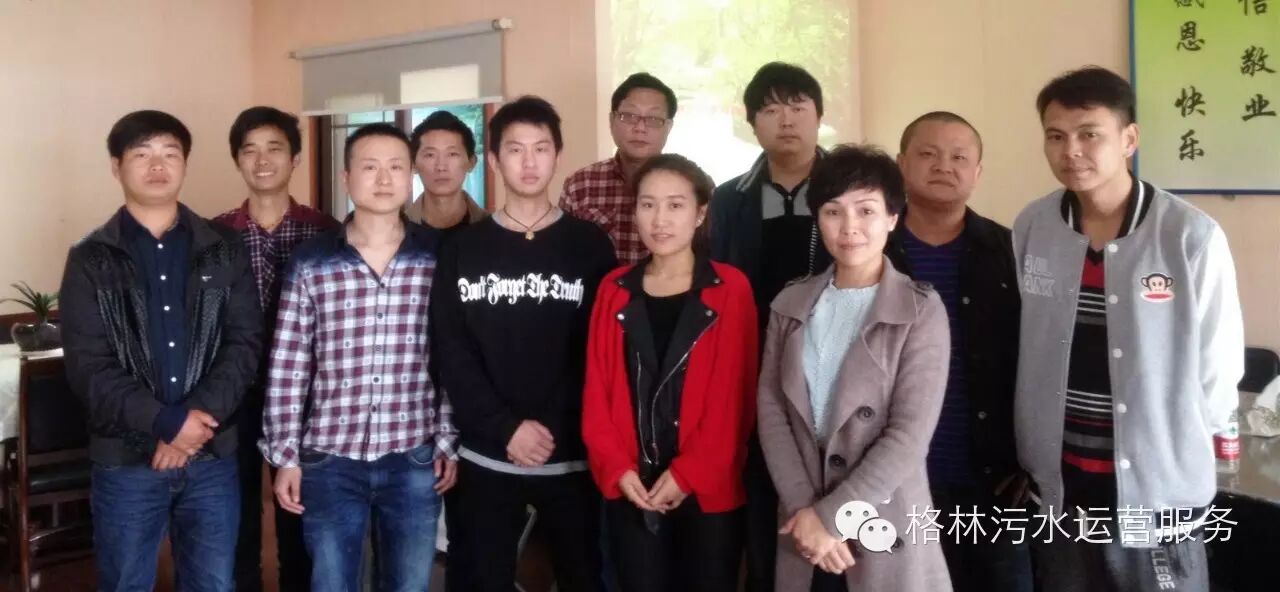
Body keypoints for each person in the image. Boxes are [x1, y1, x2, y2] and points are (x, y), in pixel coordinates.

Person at [1013, 66, 1244, 592]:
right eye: (1055, 136)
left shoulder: (1189, 236)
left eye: (1089, 134)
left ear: (1129, 139)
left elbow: (1220, 366)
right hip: (1062, 485)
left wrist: (1170, 444)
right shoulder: (1033, 226)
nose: (1071, 150)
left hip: (1156, 489)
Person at [61, 109, 263, 592]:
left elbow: (244, 343)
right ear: (117, 167)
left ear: (185, 164)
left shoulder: (224, 247)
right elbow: (89, 367)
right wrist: (167, 424)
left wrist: (194, 425)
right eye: (142, 154)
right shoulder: (90, 258)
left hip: (211, 457)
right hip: (126, 462)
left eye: (170, 154)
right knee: (125, 583)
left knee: (213, 583)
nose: (158, 165)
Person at [260, 123, 458, 591]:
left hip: (413, 455)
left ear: (411, 177)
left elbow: (454, 356)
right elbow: (289, 364)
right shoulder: (312, 260)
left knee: (409, 584)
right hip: (329, 458)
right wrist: (286, 456)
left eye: (396, 167)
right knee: (331, 583)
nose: (384, 179)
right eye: (370, 167)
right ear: (347, 178)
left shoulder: (438, 257)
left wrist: (448, 438)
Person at [432, 96, 618, 592]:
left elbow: (598, 352)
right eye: (515, 149)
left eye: (541, 148)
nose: (529, 162)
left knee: (583, 576)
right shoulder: (463, 248)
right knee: (480, 578)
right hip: (486, 455)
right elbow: (452, 352)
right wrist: (506, 427)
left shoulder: (590, 245)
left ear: (558, 156)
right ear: (494, 160)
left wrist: (548, 428)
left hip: (571, 454)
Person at [756, 144, 952, 592]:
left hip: (883, 518)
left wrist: (831, 519)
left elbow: (909, 435)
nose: (849, 228)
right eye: (833, 211)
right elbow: (771, 410)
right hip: (803, 528)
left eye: (866, 210)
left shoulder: (920, 310)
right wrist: (807, 515)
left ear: (892, 217)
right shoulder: (790, 303)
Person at [582, 154, 757, 592]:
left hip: (708, 488)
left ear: (700, 213)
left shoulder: (730, 288)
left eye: (675, 205)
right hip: (632, 485)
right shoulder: (614, 289)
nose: (660, 220)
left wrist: (687, 474)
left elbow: (735, 400)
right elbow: (597, 392)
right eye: (648, 204)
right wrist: (617, 468)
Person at [886, 111, 1032, 592]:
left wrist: (1030, 460)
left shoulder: (1010, 252)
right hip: (893, 482)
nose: (943, 166)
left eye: (959, 157)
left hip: (994, 482)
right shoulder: (871, 252)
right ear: (902, 164)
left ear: (977, 172)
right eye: (928, 154)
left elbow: (1039, 362)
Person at [707, 61, 832, 592]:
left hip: (833, 373)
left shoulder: (849, 191)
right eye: (771, 109)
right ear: (751, 122)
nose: (786, 119)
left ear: (819, 115)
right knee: (761, 500)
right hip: (754, 373)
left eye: (798, 106)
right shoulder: (729, 198)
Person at [214, 105, 338, 592]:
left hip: (307, 398)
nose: (262, 160)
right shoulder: (214, 235)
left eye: (275, 149)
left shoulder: (326, 232)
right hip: (233, 396)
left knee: (301, 515)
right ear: (237, 161)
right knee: (236, 515)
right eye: (250, 151)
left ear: (296, 158)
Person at [562, 73, 677, 264]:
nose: (640, 128)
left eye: (653, 119)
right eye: (629, 116)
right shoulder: (580, 185)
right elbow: (564, 256)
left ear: (669, 127)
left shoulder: (691, 186)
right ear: (612, 120)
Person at [405, 110, 487, 237]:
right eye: (430, 155)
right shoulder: (397, 231)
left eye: (452, 154)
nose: (441, 166)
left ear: (471, 163)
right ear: (413, 165)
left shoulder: (494, 230)